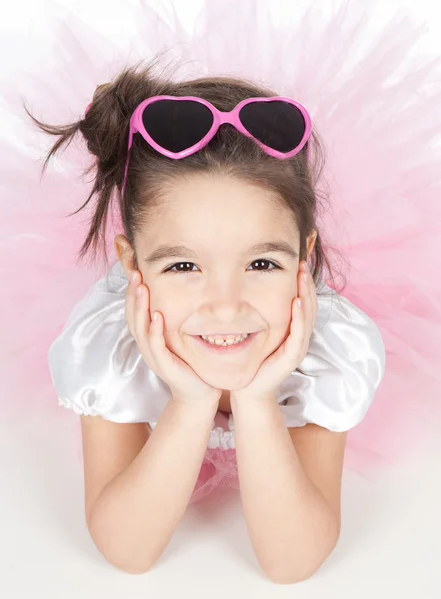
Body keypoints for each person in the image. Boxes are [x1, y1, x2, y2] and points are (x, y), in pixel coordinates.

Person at [28, 60, 385, 582]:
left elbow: (291, 564)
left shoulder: (330, 352)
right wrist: (191, 401)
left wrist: (259, 397)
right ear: (131, 265)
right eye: (183, 265)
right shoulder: (107, 347)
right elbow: (128, 551)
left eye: (263, 263)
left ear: (304, 256)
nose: (225, 305)